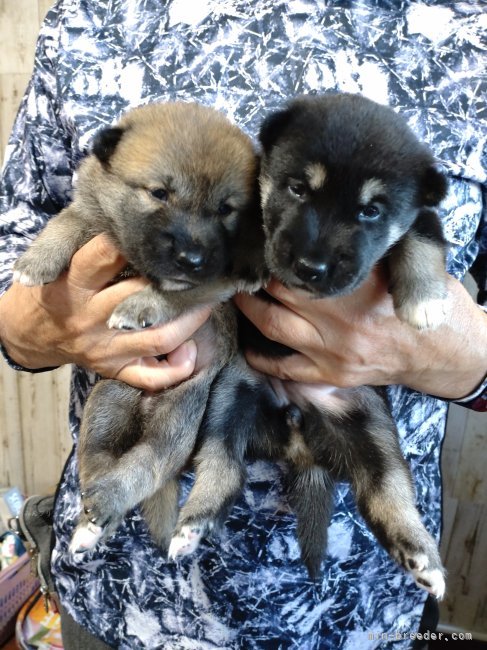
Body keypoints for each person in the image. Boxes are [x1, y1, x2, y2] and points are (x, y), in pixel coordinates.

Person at [0, 1, 486, 648]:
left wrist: (460, 359)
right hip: (120, 590)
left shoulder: (470, 27)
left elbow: (426, 248)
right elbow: (17, 246)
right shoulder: (89, 17)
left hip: (358, 607)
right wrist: (31, 329)